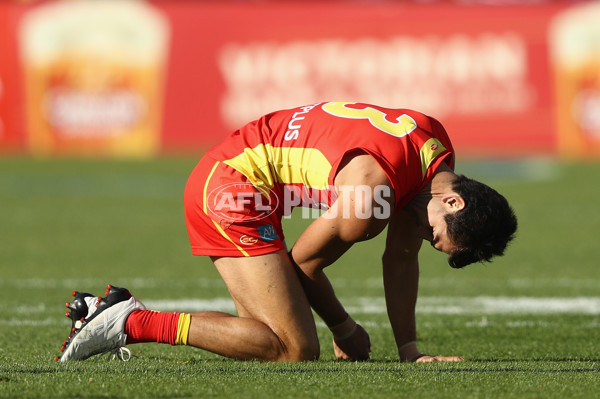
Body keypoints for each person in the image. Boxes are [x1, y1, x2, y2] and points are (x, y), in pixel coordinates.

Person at [56, 102, 517, 363]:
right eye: (430, 233)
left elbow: (399, 259)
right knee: (292, 348)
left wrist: (409, 350)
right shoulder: (370, 201)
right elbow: (304, 261)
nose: (417, 235)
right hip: (232, 185)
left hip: (244, 169)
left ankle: (111, 312)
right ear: (453, 201)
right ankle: (127, 319)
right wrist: (345, 327)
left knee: (260, 335)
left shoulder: (437, 153)